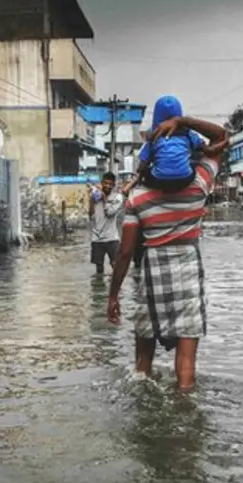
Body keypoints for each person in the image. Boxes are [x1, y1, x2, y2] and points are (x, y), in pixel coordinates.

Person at [107, 109, 227, 390]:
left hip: (151, 279)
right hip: (187, 274)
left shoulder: (138, 197)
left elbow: (125, 253)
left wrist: (113, 295)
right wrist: (184, 123)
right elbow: (221, 137)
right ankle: (185, 413)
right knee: (186, 369)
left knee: (142, 367)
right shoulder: (199, 185)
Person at [133, 95, 221, 193]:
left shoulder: (153, 136)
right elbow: (210, 148)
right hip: (185, 179)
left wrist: (141, 178)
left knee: (148, 173)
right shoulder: (188, 134)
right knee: (192, 163)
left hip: (159, 181)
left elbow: (142, 166)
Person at [90, 171, 124, 275]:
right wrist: (91, 199)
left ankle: (116, 290)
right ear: (102, 183)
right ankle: (99, 290)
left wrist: (104, 198)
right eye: (105, 183)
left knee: (115, 266)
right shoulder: (96, 195)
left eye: (110, 184)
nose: (107, 186)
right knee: (99, 269)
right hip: (97, 237)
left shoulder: (118, 198)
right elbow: (90, 215)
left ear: (114, 185)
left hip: (112, 238)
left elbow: (109, 213)